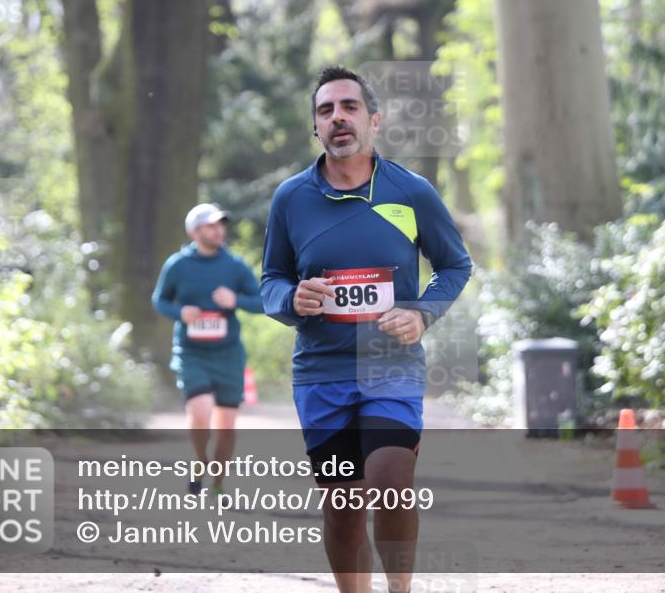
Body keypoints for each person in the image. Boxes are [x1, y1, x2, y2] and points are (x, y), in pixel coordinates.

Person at [260, 66, 472, 593]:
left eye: (349, 107)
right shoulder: (291, 198)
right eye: (326, 110)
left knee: (392, 486)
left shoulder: (412, 191)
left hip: (390, 365)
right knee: (343, 506)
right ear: (316, 127)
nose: (338, 118)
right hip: (322, 371)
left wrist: (422, 312)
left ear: (373, 120)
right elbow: (271, 280)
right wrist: (293, 298)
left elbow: (455, 266)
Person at [152, 203, 263, 493]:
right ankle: (199, 459)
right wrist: (181, 313)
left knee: (226, 425)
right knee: (200, 410)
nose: (218, 230)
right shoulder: (178, 265)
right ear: (195, 231)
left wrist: (235, 300)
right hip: (192, 352)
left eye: (220, 225)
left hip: (228, 354)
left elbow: (263, 302)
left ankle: (218, 482)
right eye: (211, 226)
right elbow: (160, 300)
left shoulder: (235, 266)